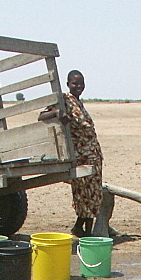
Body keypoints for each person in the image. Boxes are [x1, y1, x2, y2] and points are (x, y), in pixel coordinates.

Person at [39, 70, 103, 236]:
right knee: (84, 193)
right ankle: (83, 231)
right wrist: (57, 113)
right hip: (82, 155)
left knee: (94, 193)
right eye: (75, 83)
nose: (79, 86)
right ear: (68, 84)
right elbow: (41, 116)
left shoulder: (78, 102)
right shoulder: (65, 100)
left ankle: (86, 231)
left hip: (93, 154)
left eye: (81, 83)